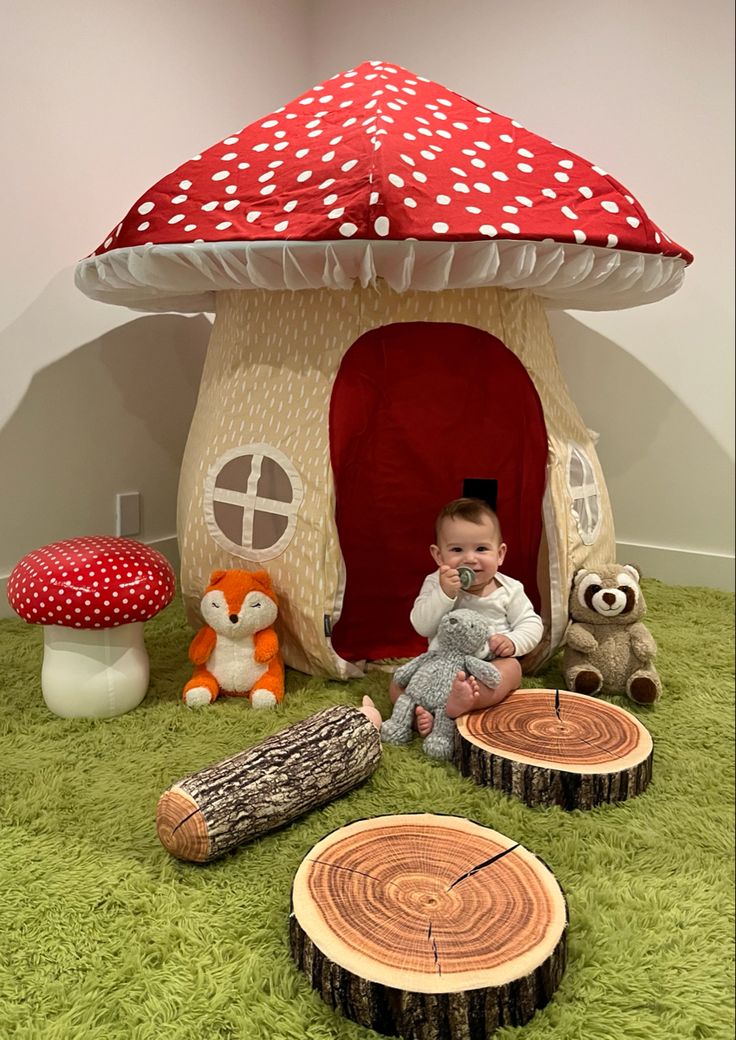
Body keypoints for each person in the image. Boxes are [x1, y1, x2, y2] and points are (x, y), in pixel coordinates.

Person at [390, 497, 543, 736]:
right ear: (439, 556)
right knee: (397, 683)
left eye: (481, 549)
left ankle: (466, 702)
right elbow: (421, 625)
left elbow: (531, 623)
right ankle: (419, 715)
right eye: (457, 550)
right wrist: (444, 594)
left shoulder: (510, 589)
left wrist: (513, 641)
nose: (470, 558)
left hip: (486, 667)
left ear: (500, 554)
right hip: (440, 666)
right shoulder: (435, 583)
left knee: (512, 669)